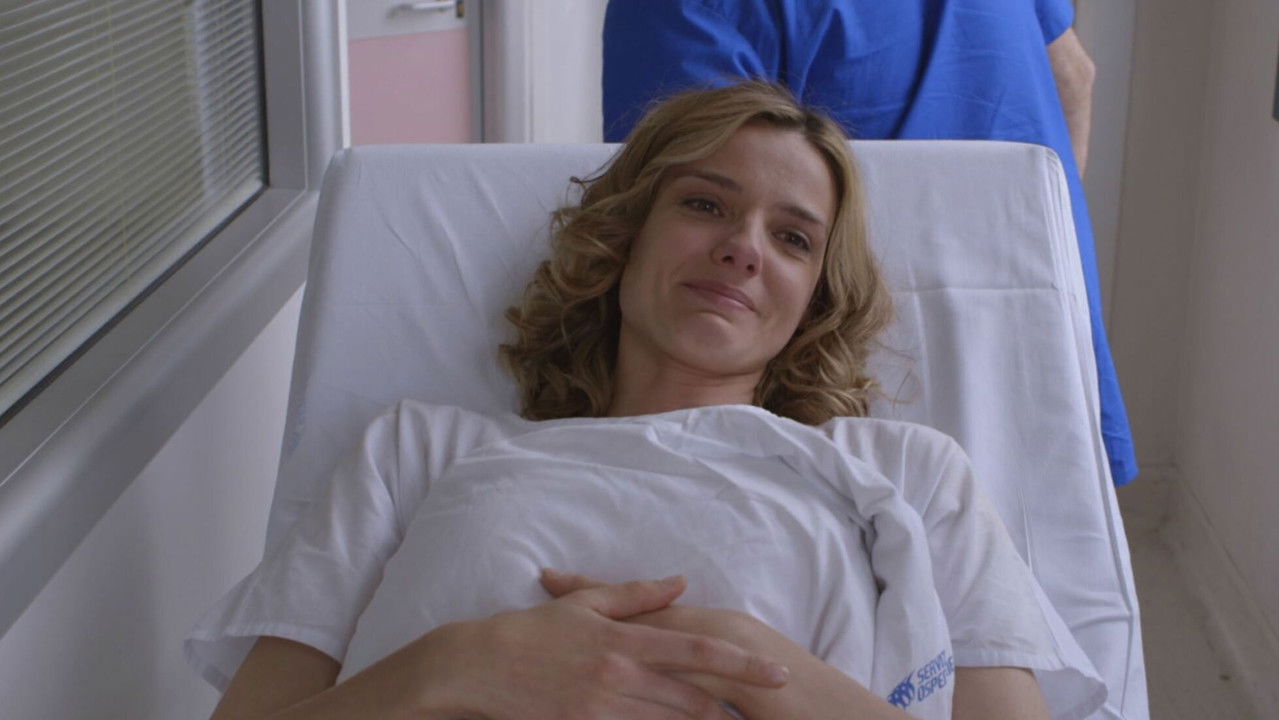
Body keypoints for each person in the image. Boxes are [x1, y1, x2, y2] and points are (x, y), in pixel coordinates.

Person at [187, 82, 1101, 720]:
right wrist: (465, 664)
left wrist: (746, 662)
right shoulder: (416, 451)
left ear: (814, 302)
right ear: (623, 236)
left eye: (792, 238)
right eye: (705, 205)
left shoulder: (905, 474)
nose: (744, 247)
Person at [601, 0, 1139, 487]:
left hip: (857, 375)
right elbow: (1075, 78)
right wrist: (1025, 243)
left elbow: (670, 232)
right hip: (1040, 325)